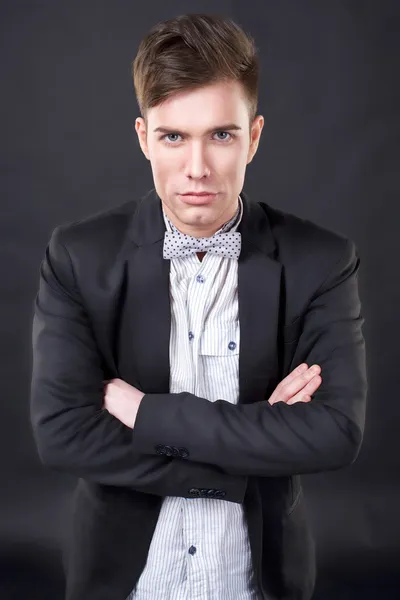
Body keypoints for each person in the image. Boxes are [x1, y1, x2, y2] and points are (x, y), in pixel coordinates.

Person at [30, 13, 368, 600]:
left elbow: (335, 431)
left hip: (260, 580)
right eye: (173, 137)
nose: (197, 169)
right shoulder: (77, 257)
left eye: (221, 135)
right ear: (143, 138)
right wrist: (257, 441)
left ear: (254, 137)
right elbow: (62, 433)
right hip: (123, 581)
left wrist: (149, 415)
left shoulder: (323, 260)